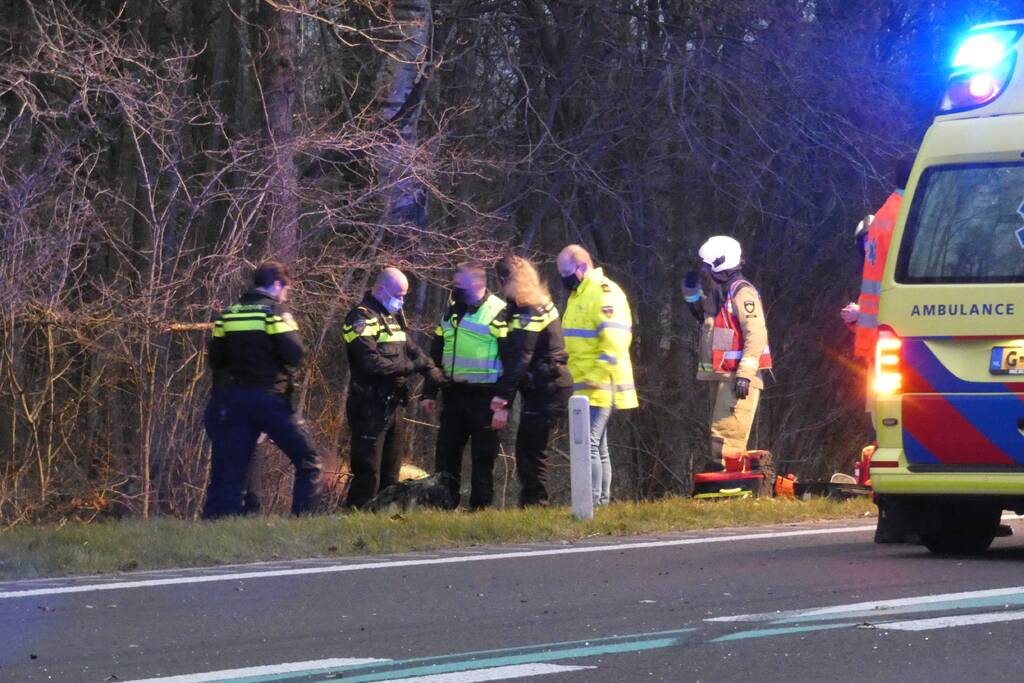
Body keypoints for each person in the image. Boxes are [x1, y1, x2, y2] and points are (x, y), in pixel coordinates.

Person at [203, 260, 323, 518]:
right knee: (308, 459)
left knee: (231, 472)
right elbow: (295, 354)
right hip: (271, 399)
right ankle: (306, 521)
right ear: (277, 285)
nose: (286, 295)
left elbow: (216, 360)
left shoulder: (230, 313)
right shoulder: (274, 312)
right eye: (286, 289)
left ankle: (218, 528)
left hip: (235, 401)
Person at [342, 268, 445, 509]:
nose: (401, 301)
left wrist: (430, 370)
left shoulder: (391, 319)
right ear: (380, 289)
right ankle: (357, 520)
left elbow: (412, 350)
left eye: (404, 296)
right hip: (369, 406)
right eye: (398, 294)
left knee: (391, 472)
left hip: (393, 405)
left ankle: (382, 523)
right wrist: (409, 367)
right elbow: (369, 361)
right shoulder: (360, 318)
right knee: (368, 472)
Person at [421, 263, 508, 509]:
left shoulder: (498, 311)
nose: (454, 290)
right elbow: (436, 353)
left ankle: (480, 509)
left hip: (485, 397)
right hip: (453, 393)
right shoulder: (451, 311)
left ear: (478, 285)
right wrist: (429, 391)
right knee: (446, 454)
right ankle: (443, 506)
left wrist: (504, 402)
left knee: (482, 457)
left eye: (460, 286)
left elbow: (510, 361)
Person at [557, 245, 638, 506]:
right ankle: (601, 501)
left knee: (587, 444)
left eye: (566, 272)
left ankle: (589, 502)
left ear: (581, 266)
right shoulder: (579, 294)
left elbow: (615, 340)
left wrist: (596, 376)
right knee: (597, 445)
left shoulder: (604, 292)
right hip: (583, 385)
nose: (563, 278)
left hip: (600, 383)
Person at [489, 255, 574, 507]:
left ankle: (536, 504)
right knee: (528, 447)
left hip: (548, 386)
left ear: (505, 280)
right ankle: (533, 502)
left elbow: (521, 358)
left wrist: (502, 398)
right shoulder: (524, 305)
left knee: (531, 450)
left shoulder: (531, 308)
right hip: (542, 385)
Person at [682, 236, 771, 472]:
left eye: (708, 267)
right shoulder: (722, 294)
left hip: (737, 379)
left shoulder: (742, 293)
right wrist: (690, 291)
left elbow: (756, 334)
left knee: (727, 435)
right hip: (725, 377)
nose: (705, 272)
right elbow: (702, 314)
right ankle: (721, 482)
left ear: (720, 266)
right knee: (719, 433)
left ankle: (727, 484)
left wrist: (745, 374)